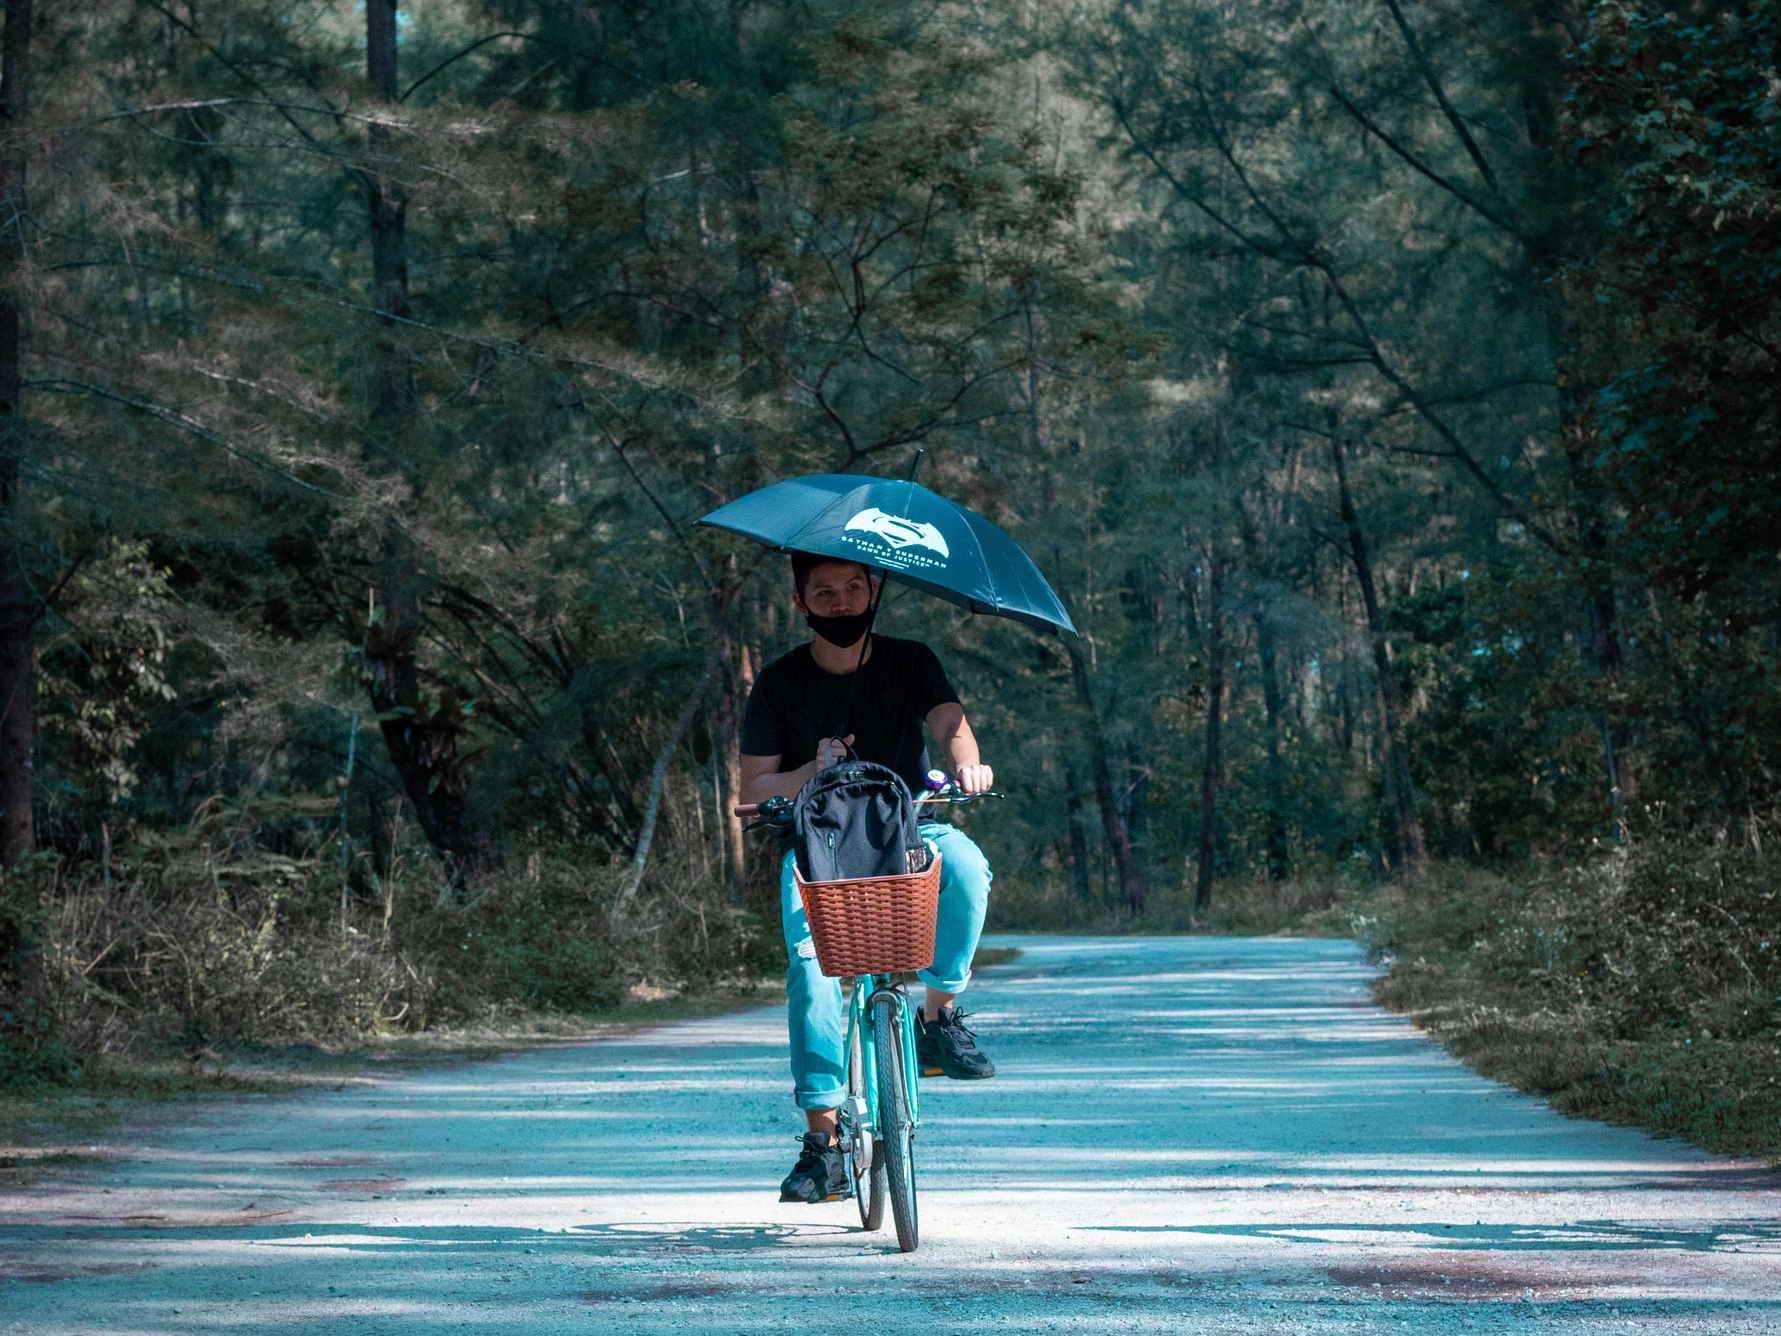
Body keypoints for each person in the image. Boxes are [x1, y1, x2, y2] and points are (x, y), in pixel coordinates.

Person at [739, 551, 998, 1205]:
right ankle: (822, 1146)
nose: (842, 601)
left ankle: (937, 1019)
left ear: (873, 591)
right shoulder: (778, 682)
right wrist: (811, 770)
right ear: (800, 603)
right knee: (811, 969)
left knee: (967, 867)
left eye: (854, 586)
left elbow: (951, 724)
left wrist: (967, 764)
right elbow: (752, 790)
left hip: (907, 830)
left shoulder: (910, 660)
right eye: (824, 592)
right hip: (820, 845)